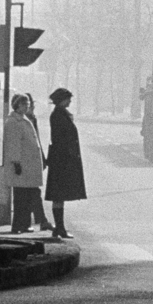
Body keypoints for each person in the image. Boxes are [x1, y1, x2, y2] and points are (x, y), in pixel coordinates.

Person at [2, 93, 49, 234]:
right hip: (22, 165)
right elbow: (14, 144)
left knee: (26, 196)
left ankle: (25, 224)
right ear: (17, 105)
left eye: (28, 104)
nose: (27, 106)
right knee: (21, 197)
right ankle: (19, 225)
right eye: (24, 104)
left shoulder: (23, 120)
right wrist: (16, 163)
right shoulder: (13, 122)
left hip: (27, 165)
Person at [45, 87, 88, 239]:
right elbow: (61, 139)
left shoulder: (60, 114)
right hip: (61, 160)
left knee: (60, 195)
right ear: (62, 99)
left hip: (61, 159)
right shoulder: (58, 115)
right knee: (59, 195)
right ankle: (59, 228)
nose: (70, 101)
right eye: (68, 99)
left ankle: (60, 227)